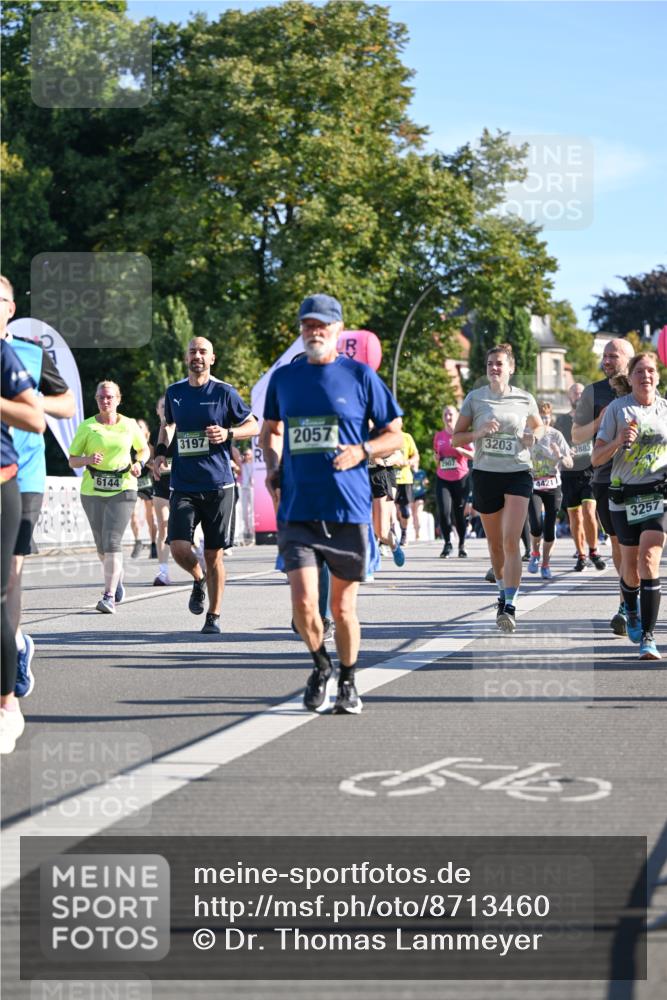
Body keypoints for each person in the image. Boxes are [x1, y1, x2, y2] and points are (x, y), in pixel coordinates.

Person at [260, 294, 403, 715]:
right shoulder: (285, 379)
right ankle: (321, 665)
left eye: (321, 325)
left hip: (347, 509)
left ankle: (349, 681)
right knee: (304, 605)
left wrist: (362, 450)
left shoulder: (359, 376)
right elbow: (271, 431)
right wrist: (273, 467)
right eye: (307, 325)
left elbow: (394, 433)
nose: (314, 331)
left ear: (338, 329)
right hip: (298, 509)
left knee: (342, 608)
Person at [0, 274, 75, 700]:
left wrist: (29, 400)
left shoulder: (30, 352)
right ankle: (14, 641)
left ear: (11, 308)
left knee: (11, 571)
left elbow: (67, 403)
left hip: (23, 475)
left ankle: (11, 654)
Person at [154, 337, 258, 634]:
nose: (197, 356)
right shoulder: (175, 392)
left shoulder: (225, 392)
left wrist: (228, 433)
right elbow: (167, 425)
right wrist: (160, 453)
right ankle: (198, 578)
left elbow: (253, 425)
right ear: (186, 358)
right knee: (178, 546)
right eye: (192, 352)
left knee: (214, 554)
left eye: (202, 352)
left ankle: (213, 615)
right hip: (184, 484)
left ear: (212, 358)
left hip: (218, 485)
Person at [452, 343, 543, 633]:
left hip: (518, 472)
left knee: (510, 540)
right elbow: (456, 438)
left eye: (499, 363)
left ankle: (511, 604)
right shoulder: (475, 398)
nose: (494, 368)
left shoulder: (524, 398)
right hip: (485, 474)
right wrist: (478, 432)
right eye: (490, 363)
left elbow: (539, 426)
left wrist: (532, 436)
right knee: (494, 544)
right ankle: (502, 590)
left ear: (511, 368)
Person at [593, 352, 667, 659]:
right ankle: (632, 610)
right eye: (640, 371)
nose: (645, 376)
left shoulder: (665, 410)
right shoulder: (617, 409)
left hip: (658, 495)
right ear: (631, 377)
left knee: (649, 560)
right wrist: (617, 441)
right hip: (624, 495)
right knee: (630, 567)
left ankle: (648, 636)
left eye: (651, 371)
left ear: (657, 377)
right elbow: (596, 458)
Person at [68, 381, 149, 613]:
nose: (105, 401)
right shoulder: (87, 426)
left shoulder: (129, 424)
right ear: (96, 399)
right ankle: (116, 578)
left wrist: (139, 463)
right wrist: (87, 460)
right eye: (101, 397)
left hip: (124, 487)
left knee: (112, 540)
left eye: (110, 397)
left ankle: (108, 596)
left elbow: (143, 449)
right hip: (92, 490)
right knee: (102, 546)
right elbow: (72, 460)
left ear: (118, 399)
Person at [1, 339, 45, 754]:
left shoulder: (12, 354)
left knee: (5, 587)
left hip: (12, 480)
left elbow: (41, 415)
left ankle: (7, 703)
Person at [572, 338, 635, 633]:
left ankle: (633, 602)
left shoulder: (643, 385)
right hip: (605, 477)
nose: (606, 360)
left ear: (629, 359)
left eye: (613, 356)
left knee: (641, 544)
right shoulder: (593, 391)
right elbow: (576, 435)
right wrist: (599, 422)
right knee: (619, 543)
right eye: (605, 356)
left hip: (641, 476)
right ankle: (627, 603)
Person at [556, 383, 606, 573]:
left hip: (590, 472)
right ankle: (581, 555)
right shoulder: (562, 420)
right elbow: (555, 442)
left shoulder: (594, 417)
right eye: (574, 393)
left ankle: (594, 551)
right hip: (569, 473)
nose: (578, 396)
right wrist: (564, 452)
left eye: (581, 393)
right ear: (569, 397)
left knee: (589, 510)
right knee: (575, 517)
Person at [527, 401, 573, 579]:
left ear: (550, 418)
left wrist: (559, 455)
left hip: (553, 486)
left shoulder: (556, 435)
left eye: (546, 417)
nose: (544, 421)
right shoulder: (528, 435)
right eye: (541, 417)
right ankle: (535, 553)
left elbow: (569, 463)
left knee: (549, 529)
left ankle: (545, 564)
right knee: (536, 525)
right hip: (534, 486)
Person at [433, 404, 473, 557]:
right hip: (443, 478)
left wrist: (458, 449)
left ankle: (462, 544)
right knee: (444, 512)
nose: (448, 417)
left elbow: (473, 455)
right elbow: (437, 456)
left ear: (457, 417)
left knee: (459, 513)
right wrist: (436, 458)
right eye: (445, 414)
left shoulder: (463, 435)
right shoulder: (439, 436)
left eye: (450, 414)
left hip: (461, 479)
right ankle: (447, 543)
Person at [150, 396, 173, 586]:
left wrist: (171, 466)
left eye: (168, 406)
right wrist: (154, 465)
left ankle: (201, 561)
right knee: (163, 526)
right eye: (162, 406)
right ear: (157, 410)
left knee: (192, 531)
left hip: (183, 484)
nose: (166, 409)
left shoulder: (182, 428)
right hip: (161, 485)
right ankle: (163, 572)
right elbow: (148, 459)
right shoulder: (153, 434)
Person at [129, 418, 158, 559]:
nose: (138, 429)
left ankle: (153, 544)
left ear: (146, 431)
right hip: (134, 483)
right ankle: (138, 541)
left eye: (140, 427)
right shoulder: (130, 444)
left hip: (149, 483)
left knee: (150, 516)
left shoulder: (149, 445)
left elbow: (156, 464)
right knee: (133, 514)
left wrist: (144, 462)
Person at [394, 429, 419, 546]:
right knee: (391, 510)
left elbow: (416, 456)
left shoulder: (407, 437)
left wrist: (408, 462)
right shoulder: (385, 436)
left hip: (404, 479)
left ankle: (404, 533)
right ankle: (391, 534)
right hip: (388, 478)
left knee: (404, 512)